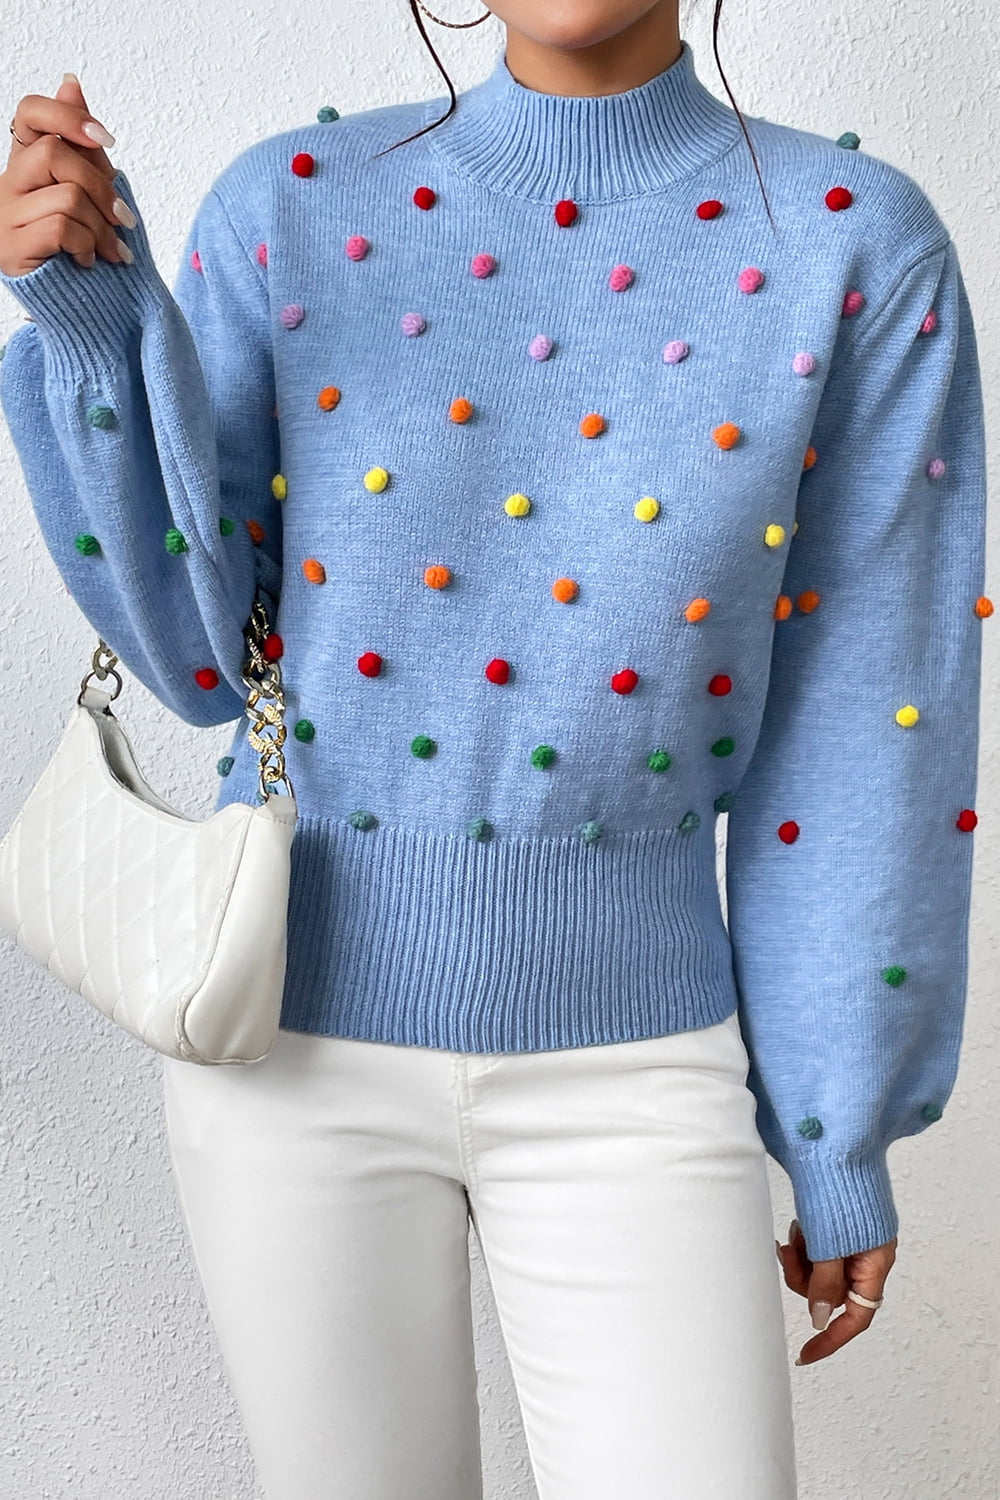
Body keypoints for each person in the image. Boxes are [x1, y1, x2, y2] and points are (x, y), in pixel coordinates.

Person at [0, 1, 988, 1495]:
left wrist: (836, 1122)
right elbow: (200, 671)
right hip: (281, 1046)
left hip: (641, 1065)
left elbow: (866, 731)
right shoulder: (290, 206)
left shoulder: (856, 242)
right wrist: (87, 327)